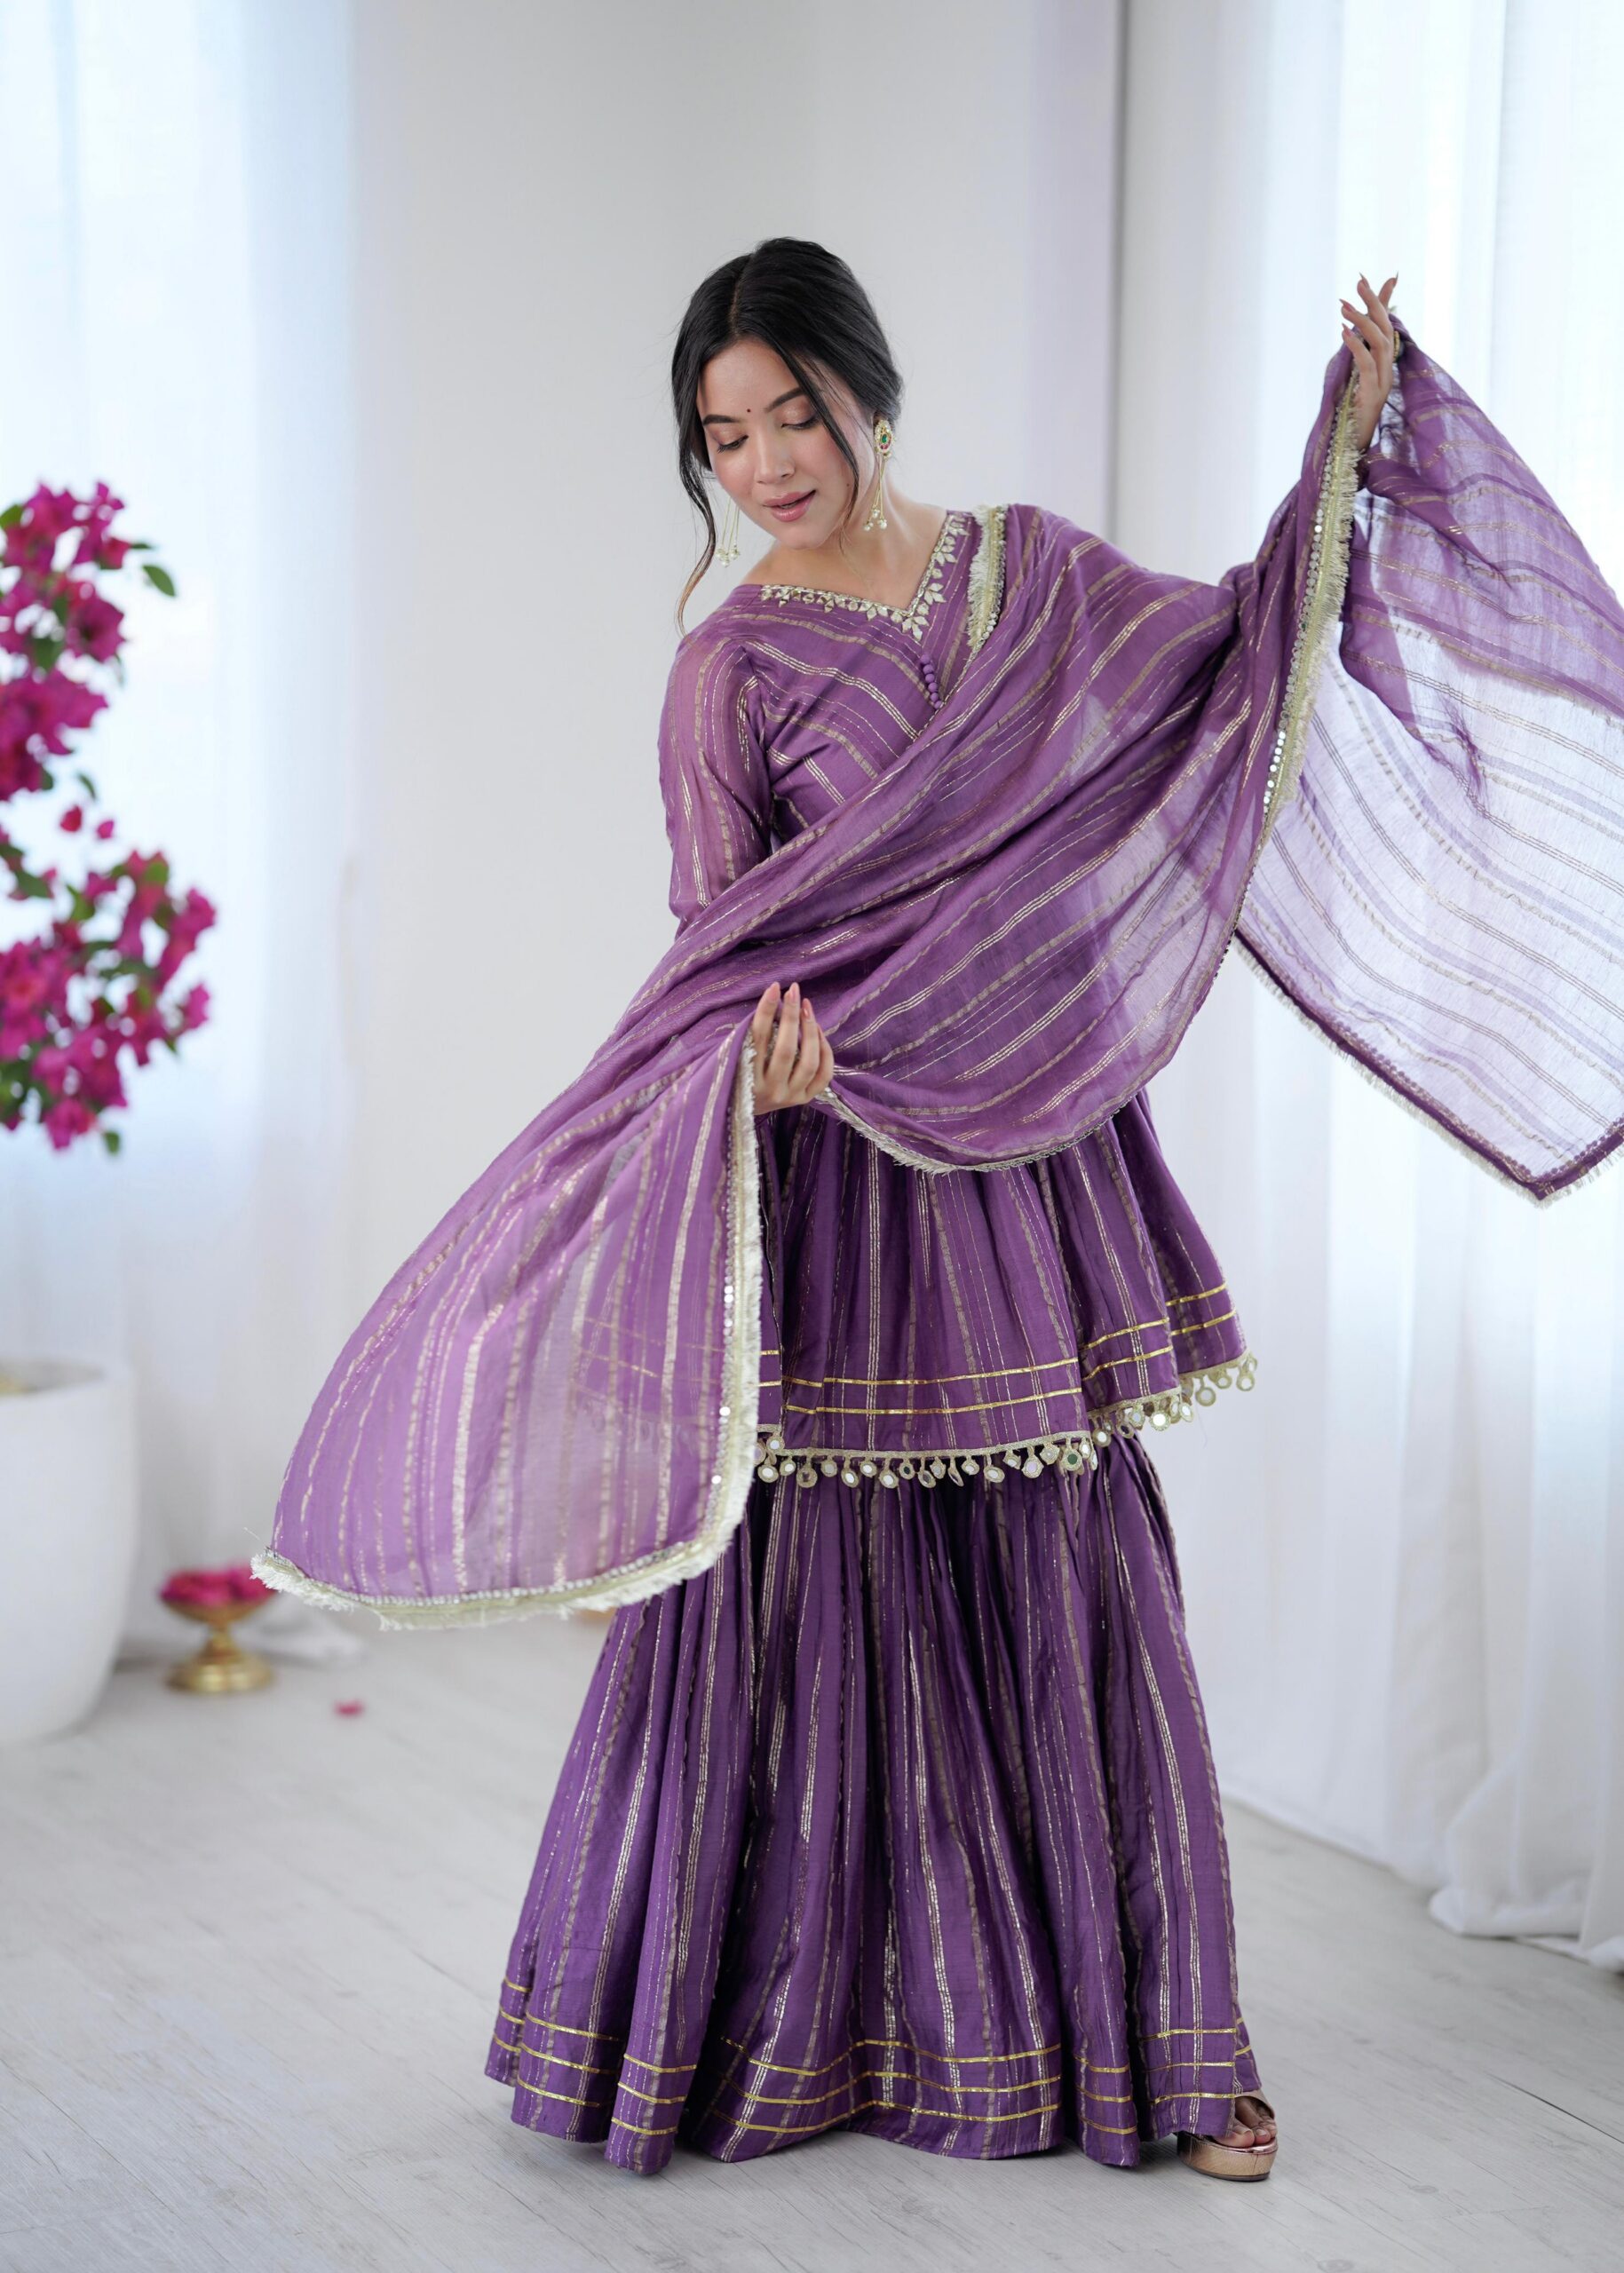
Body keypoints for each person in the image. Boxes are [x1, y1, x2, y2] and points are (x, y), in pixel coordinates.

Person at [257, 238, 1624, 2188]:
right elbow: (718, 941)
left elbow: (1223, 674)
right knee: (801, 1591)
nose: (763, 463)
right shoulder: (729, 664)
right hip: (834, 1175)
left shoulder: (1034, 577)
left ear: (864, 393)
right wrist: (761, 1064)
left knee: (1075, 1573)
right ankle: (774, 2027)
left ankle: (1170, 2046)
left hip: (1024, 1150)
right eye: (722, 435)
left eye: (789, 413)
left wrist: (1350, 445)